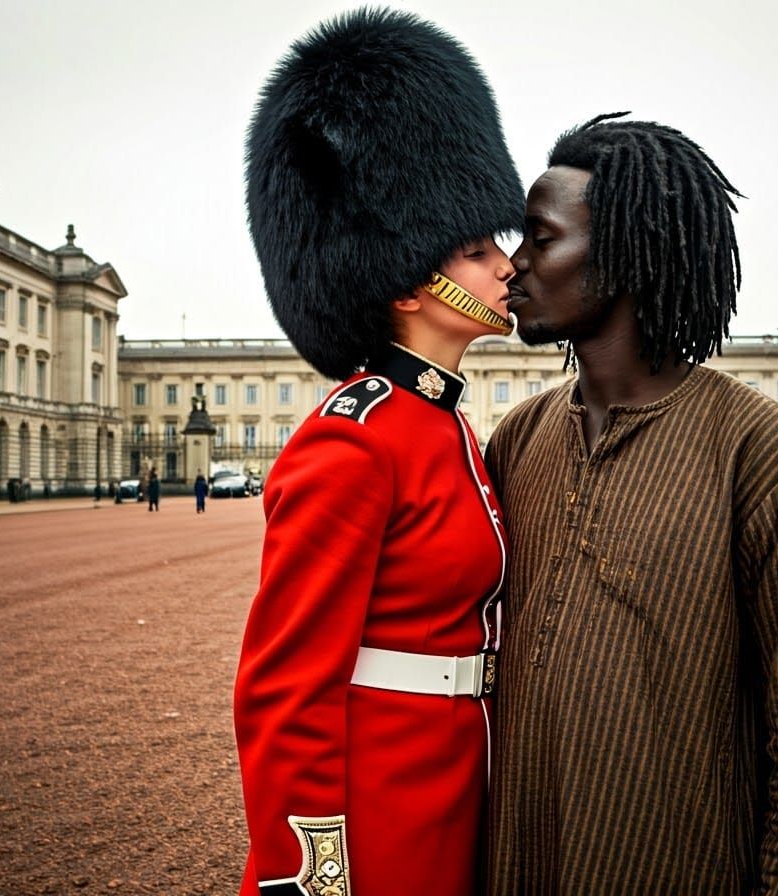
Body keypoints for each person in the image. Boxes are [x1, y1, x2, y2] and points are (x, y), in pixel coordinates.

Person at [485, 114, 778, 894]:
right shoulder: (517, 440)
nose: (511, 267)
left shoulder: (765, 453)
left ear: (625, 252)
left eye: (539, 238)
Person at [234, 10, 522, 896]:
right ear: (408, 280)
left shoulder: (446, 427)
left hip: (455, 781)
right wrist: (313, 870)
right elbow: (285, 687)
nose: (506, 265)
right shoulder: (350, 443)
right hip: (380, 808)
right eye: (477, 251)